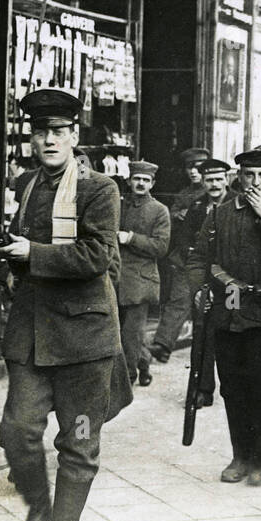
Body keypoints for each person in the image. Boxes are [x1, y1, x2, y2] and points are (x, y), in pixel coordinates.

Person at [0, 87, 125, 521]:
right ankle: (39, 508)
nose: (47, 140)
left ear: (74, 135)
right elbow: (10, 252)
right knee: (17, 431)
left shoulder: (99, 189)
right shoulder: (27, 185)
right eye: (39, 132)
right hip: (30, 336)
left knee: (78, 439)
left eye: (57, 132)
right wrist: (5, 264)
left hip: (85, 340)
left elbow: (97, 256)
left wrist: (33, 254)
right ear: (31, 138)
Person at [187, 146, 261, 484]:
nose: (254, 182)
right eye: (248, 175)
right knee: (231, 387)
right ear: (237, 177)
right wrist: (198, 289)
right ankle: (240, 456)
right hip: (227, 310)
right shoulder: (219, 215)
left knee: (258, 385)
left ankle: (259, 455)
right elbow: (198, 258)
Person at [176, 158, 232, 406]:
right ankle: (202, 389)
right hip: (205, 280)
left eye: (219, 179)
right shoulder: (197, 207)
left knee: (233, 328)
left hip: (233, 281)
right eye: (209, 180)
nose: (215, 184)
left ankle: (235, 387)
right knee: (202, 332)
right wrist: (197, 283)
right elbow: (184, 241)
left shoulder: (239, 202)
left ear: (227, 180)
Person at [149, 147, 210, 362]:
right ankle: (163, 344)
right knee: (178, 299)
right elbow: (172, 218)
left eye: (198, 167)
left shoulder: (216, 192)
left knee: (214, 306)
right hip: (187, 255)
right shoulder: (184, 194)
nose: (193, 172)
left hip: (215, 259)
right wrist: (177, 215)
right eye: (189, 167)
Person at [115, 160, 172, 388]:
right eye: (137, 179)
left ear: (153, 183)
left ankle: (127, 377)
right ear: (129, 181)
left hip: (141, 279)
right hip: (117, 276)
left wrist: (131, 238)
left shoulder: (159, 211)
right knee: (122, 331)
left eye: (145, 180)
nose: (140, 183)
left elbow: (161, 247)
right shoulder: (119, 206)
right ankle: (144, 362)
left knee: (131, 333)